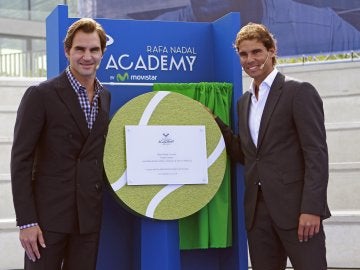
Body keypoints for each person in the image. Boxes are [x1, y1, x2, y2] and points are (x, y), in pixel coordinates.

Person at [214, 23, 331, 269]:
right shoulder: (243, 102)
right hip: (258, 216)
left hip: (298, 213)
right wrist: (215, 124)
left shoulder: (298, 92)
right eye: (243, 54)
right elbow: (248, 156)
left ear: (272, 50)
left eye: (256, 51)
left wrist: (312, 209)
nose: (250, 60)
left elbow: (316, 154)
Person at [10, 18, 111, 270]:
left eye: (93, 50)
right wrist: (27, 222)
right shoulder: (41, 95)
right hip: (46, 222)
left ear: (102, 53)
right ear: (67, 51)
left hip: (87, 221)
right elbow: (20, 160)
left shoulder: (105, 97)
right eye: (80, 49)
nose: (87, 56)